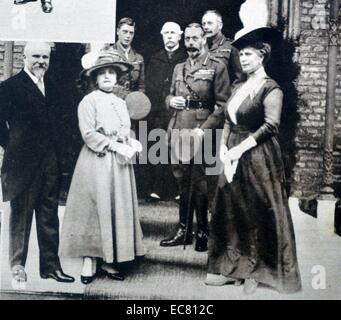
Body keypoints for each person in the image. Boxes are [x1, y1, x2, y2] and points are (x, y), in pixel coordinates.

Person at [203, 27, 302, 295]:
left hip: (258, 155)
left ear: (262, 55)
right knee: (230, 207)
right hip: (234, 150)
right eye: (241, 55)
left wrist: (239, 149)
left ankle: (256, 271)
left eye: (248, 54)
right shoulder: (238, 85)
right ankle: (232, 267)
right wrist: (224, 147)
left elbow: (271, 126)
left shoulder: (271, 88)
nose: (243, 59)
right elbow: (227, 118)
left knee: (257, 209)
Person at [59, 50, 146, 284]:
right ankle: (90, 259)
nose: (108, 77)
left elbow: (124, 129)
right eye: (102, 73)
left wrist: (130, 140)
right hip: (96, 162)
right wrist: (115, 146)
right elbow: (88, 134)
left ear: (117, 77)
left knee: (115, 207)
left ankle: (110, 259)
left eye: (112, 73)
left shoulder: (120, 102)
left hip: (119, 166)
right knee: (94, 209)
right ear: (95, 78)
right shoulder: (88, 102)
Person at [0, 42, 74, 284]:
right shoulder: (10, 87)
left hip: (49, 163)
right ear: (24, 57)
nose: (41, 61)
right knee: (20, 216)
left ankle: (51, 266)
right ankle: (17, 266)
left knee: (49, 215)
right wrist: (11, 146)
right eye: (36, 56)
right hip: (22, 163)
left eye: (45, 56)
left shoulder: (53, 86)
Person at [160, 23, 230, 252]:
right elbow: (169, 94)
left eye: (195, 38)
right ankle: (183, 230)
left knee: (199, 182)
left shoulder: (216, 67)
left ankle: (202, 231)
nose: (190, 43)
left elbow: (222, 105)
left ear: (204, 40)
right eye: (187, 39)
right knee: (181, 179)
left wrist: (205, 128)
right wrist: (170, 101)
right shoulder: (178, 68)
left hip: (201, 129)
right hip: (180, 127)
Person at [145, 22, 187, 202]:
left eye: (173, 33)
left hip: (179, 111)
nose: (170, 36)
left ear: (180, 35)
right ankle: (156, 188)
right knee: (157, 147)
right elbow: (149, 86)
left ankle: (178, 189)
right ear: (162, 35)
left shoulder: (185, 57)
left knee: (178, 149)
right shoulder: (155, 59)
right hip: (158, 111)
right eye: (166, 33)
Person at [202, 10, 243, 83]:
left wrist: (229, 93)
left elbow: (240, 78)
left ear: (220, 25)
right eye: (204, 24)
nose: (206, 27)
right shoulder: (200, 47)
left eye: (210, 23)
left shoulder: (231, 46)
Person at [107, 17, 145, 97]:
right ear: (117, 31)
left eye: (131, 33)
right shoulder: (108, 54)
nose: (128, 36)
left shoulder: (138, 58)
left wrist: (138, 101)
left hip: (131, 103)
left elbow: (141, 86)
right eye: (125, 32)